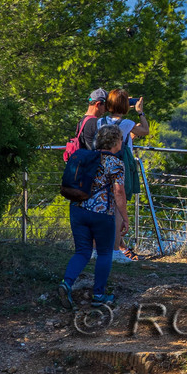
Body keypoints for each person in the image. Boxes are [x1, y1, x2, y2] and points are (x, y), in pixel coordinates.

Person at [58, 124, 126, 308]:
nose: (122, 142)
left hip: (78, 210)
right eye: (120, 139)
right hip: (102, 214)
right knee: (104, 253)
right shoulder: (116, 163)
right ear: (115, 141)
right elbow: (118, 192)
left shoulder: (85, 157)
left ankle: (67, 283)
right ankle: (99, 295)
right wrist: (125, 218)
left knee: (82, 252)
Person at [99, 88, 150, 263]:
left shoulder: (101, 121)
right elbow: (145, 130)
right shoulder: (127, 124)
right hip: (121, 166)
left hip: (102, 165)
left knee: (103, 206)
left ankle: (100, 248)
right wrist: (140, 111)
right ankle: (115, 251)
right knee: (118, 209)